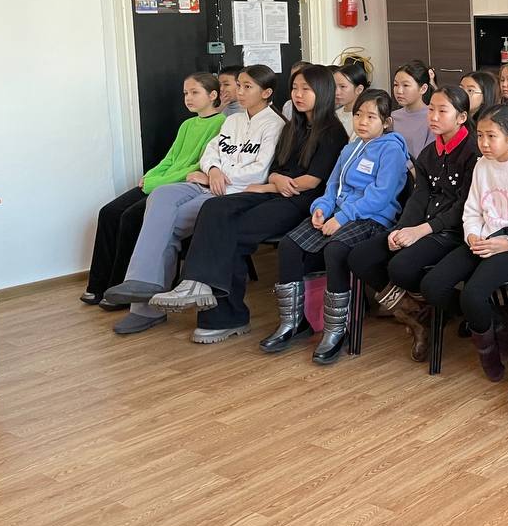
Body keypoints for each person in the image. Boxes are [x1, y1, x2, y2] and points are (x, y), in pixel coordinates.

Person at [121, 65, 346, 341]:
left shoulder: (331, 131)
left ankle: (220, 310)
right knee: (214, 209)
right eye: (295, 88)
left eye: (306, 89)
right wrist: (271, 181)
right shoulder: (294, 127)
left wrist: (269, 184)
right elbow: (276, 169)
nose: (298, 95)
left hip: (302, 201)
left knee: (229, 233)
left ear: (322, 92)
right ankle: (197, 285)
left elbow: (311, 181)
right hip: (272, 191)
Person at [101, 65, 286, 309]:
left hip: (233, 191)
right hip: (208, 182)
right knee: (162, 195)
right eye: (238, 85)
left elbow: (260, 170)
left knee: (165, 224)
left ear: (266, 92)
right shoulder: (233, 121)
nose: (239, 92)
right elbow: (211, 152)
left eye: (247, 87)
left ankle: (146, 304)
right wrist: (213, 170)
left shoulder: (275, 125)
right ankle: (142, 284)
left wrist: (215, 177)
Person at [420, 104, 508, 381]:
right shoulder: (482, 165)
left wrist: (507, 244)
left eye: (491, 136)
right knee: (432, 285)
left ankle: (489, 353)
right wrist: (472, 234)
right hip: (484, 238)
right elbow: (472, 210)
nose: (483, 143)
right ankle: (495, 320)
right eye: (480, 136)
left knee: (473, 294)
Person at [266, 89, 408, 363]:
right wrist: (321, 208)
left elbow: (380, 196)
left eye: (371, 117)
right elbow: (332, 186)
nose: (362, 121)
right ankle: (293, 322)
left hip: (372, 218)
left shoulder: (391, 149)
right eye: (358, 115)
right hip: (339, 214)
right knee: (289, 245)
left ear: (386, 122)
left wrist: (341, 219)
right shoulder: (350, 148)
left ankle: (336, 329)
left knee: (336, 250)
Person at [348, 86, 478, 362]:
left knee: (401, 267)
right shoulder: (430, 153)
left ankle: (449, 308)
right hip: (423, 226)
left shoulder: (473, 152)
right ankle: (417, 315)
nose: (433, 116)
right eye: (431, 109)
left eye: (442, 111)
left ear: (461, 117)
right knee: (360, 257)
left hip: (452, 231)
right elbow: (419, 197)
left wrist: (419, 231)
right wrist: (401, 229)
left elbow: (464, 206)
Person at [81, 73, 224, 307]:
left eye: (194, 92)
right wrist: (151, 176)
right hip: (159, 182)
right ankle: (96, 286)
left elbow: (198, 166)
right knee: (108, 213)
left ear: (213, 95)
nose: (188, 98)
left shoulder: (221, 124)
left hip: (180, 187)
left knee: (130, 219)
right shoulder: (187, 124)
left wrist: (156, 183)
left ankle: (121, 287)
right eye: (185, 93)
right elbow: (170, 159)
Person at [390, 59, 435, 157]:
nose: (399, 91)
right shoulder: (392, 117)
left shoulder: (433, 118)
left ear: (423, 88)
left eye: (406, 85)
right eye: (396, 85)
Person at [333, 62, 369, 138]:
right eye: (334, 86)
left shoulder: (365, 118)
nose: (336, 92)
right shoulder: (334, 115)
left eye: (342, 86)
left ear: (359, 89)